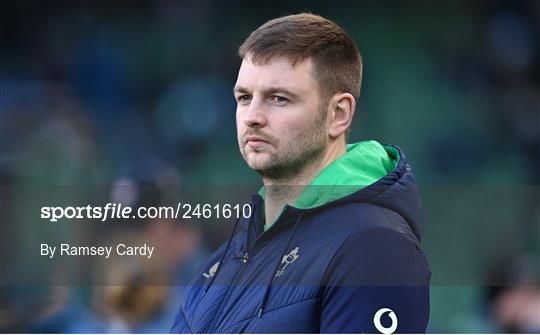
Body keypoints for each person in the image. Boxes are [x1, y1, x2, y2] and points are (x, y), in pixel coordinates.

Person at [171, 13, 430, 333]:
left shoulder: (373, 246)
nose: (252, 116)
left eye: (278, 98)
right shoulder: (226, 259)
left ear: (339, 114)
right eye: (244, 97)